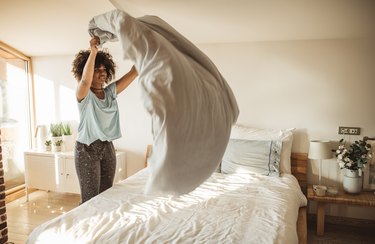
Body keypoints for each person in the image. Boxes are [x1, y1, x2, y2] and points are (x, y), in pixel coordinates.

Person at [71, 36, 138, 203]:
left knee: (106, 195)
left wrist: (143, 52)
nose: (102, 73)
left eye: (104, 69)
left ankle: (103, 226)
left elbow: (134, 72)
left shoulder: (110, 93)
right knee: (90, 198)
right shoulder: (83, 95)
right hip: (86, 149)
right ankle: (87, 227)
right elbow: (86, 81)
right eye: (96, 69)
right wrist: (94, 52)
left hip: (107, 146)